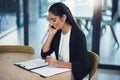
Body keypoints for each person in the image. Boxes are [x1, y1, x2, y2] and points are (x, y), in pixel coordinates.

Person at [41, 2, 89, 80]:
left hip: (76, 75)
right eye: (50, 20)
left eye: (54, 20)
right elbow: (44, 54)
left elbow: (83, 66)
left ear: (63, 18)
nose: (51, 23)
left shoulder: (78, 35)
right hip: (61, 72)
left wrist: (57, 63)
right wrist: (51, 34)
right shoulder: (58, 32)